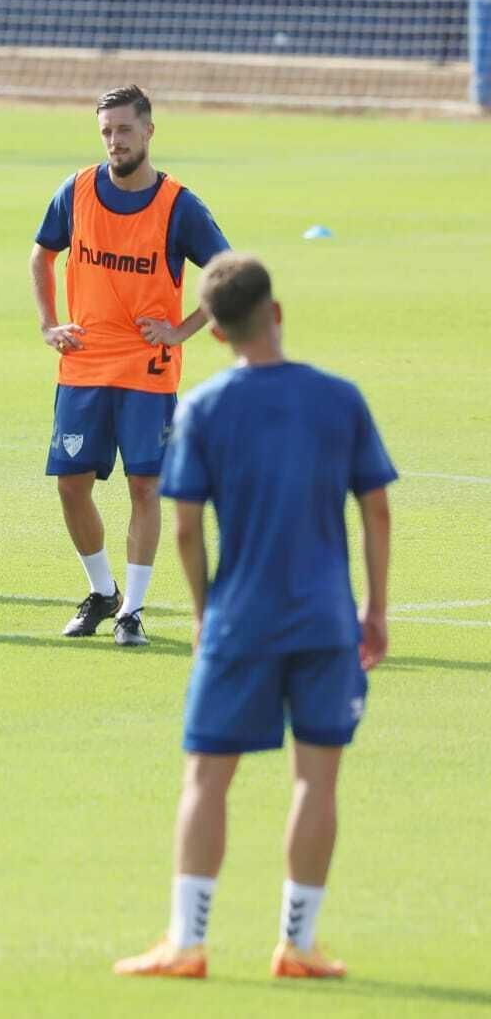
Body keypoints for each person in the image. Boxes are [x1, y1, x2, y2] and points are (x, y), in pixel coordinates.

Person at [113, 253, 394, 979]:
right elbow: (376, 509)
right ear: (276, 312)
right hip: (326, 621)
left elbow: (182, 528)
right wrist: (376, 607)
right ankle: (297, 944)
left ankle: (188, 941)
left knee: (207, 778)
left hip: (240, 619)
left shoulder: (205, 407)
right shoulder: (341, 399)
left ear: (215, 333)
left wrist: (207, 614)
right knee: (317, 781)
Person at [29, 85, 229, 646]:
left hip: (147, 369)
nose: (115, 141)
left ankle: (132, 612)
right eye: (106, 132)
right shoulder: (77, 190)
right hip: (84, 365)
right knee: (71, 485)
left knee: (146, 484)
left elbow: (226, 272)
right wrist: (49, 324)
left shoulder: (178, 205)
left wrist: (182, 330)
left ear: (148, 132)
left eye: (124, 130)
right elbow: (42, 254)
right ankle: (101, 590)